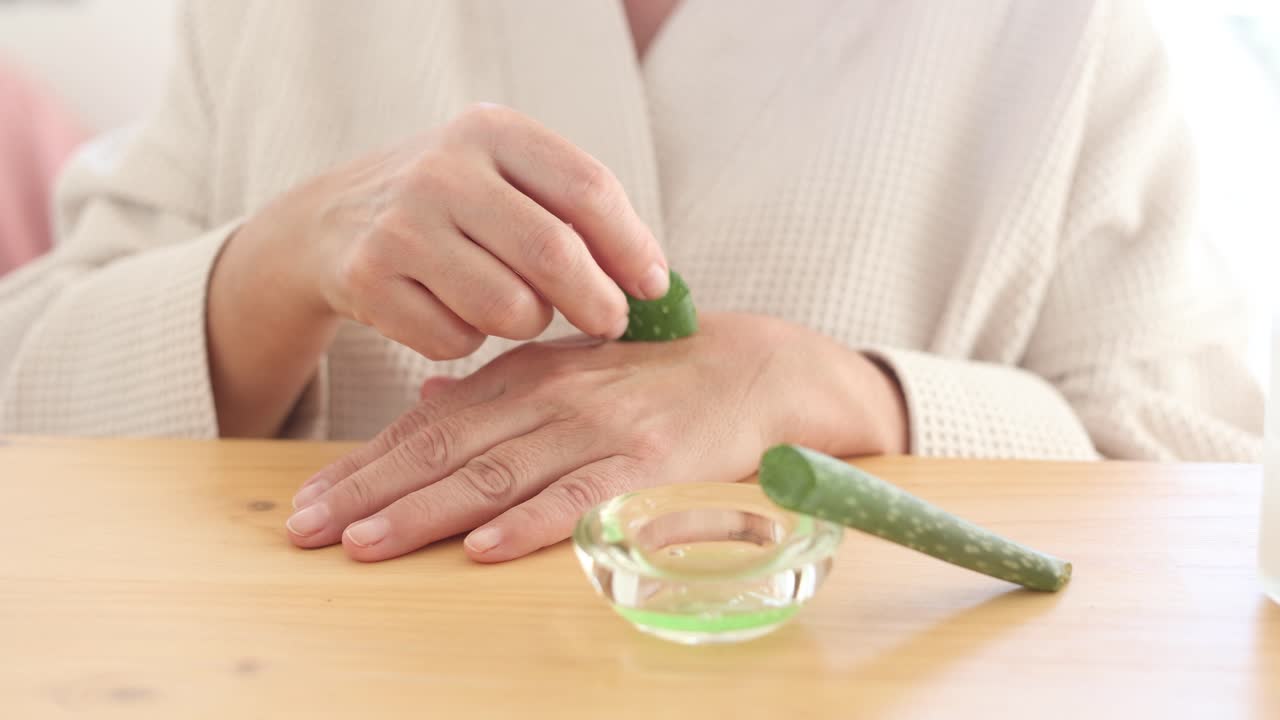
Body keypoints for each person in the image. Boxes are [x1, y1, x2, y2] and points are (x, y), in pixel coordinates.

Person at [0, 0, 1261, 563]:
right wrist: (276, 263)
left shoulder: (1064, 29)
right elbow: (29, 382)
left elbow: (1193, 469)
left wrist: (837, 393)